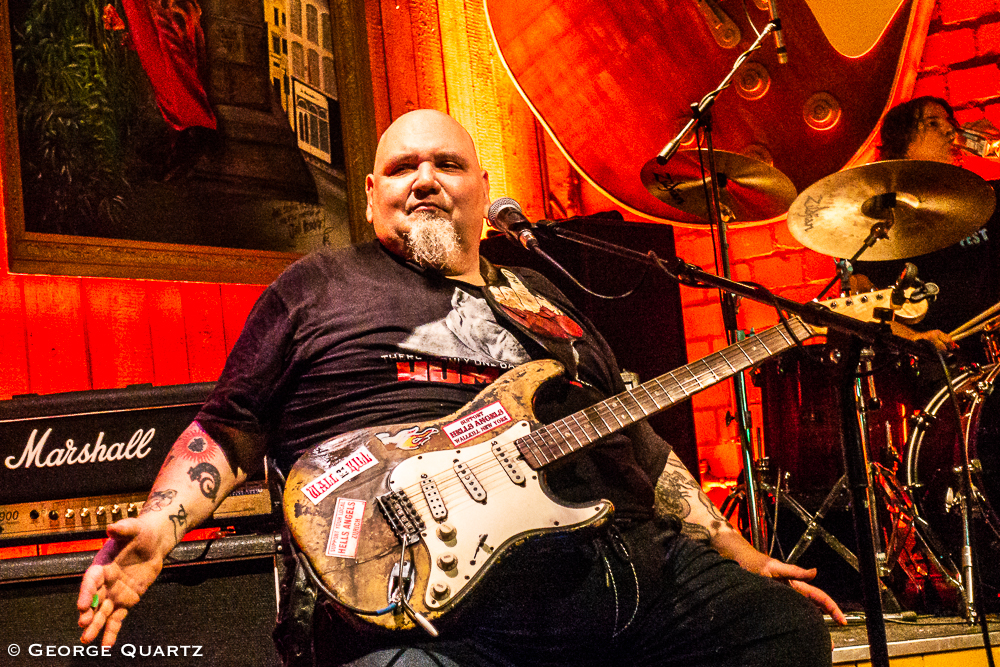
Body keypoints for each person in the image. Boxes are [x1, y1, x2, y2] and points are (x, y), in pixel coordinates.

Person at [76, 109, 844, 666]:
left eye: (445, 164)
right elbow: (229, 426)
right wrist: (160, 526)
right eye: (404, 168)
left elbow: (631, 433)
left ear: (483, 187)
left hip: (627, 562)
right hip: (449, 597)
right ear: (373, 190)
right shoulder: (318, 287)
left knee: (780, 631)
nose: (424, 182)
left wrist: (734, 543)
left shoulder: (543, 296)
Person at [852, 96, 1000, 356]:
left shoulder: (988, 198)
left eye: (950, 122)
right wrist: (915, 338)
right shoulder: (881, 225)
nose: (949, 131)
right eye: (932, 123)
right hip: (945, 367)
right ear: (903, 145)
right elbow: (859, 308)